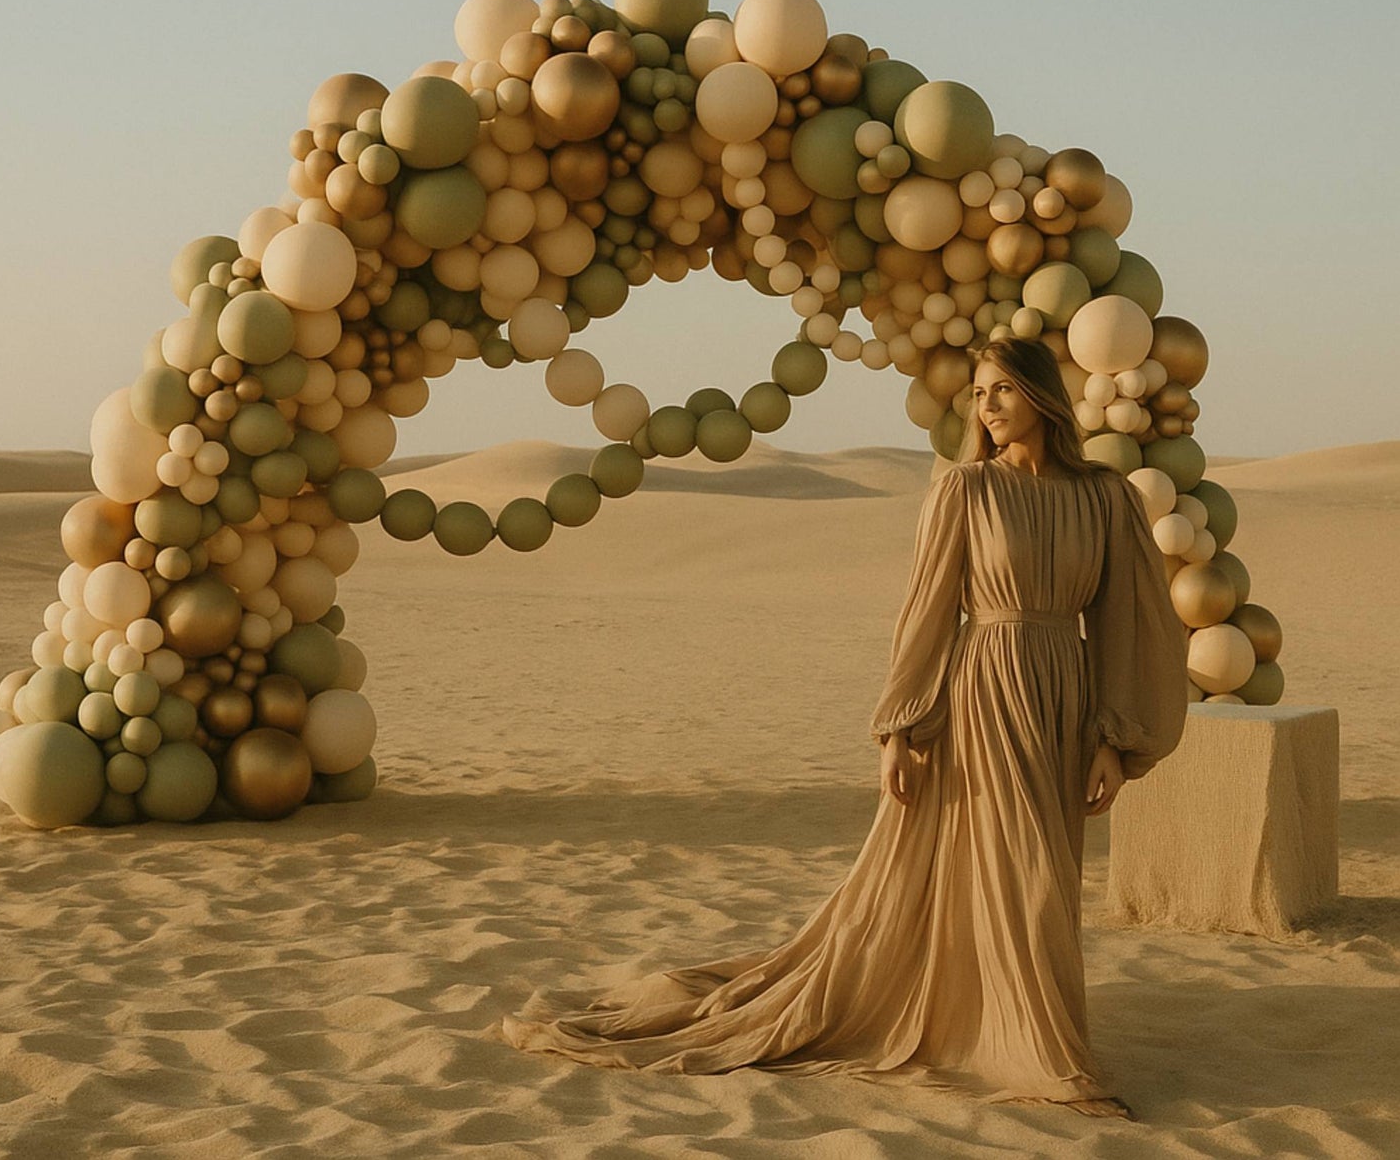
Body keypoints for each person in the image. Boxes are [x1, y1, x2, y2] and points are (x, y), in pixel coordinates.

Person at [502, 337, 1189, 1120]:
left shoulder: (1103, 496)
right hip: (982, 695)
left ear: (1041, 394)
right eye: (977, 392)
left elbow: (1127, 623)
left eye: (1001, 389)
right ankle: (1051, 1063)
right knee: (1023, 878)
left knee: (1046, 880)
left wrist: (1111, 737)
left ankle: (1014, 1028)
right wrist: (900, 726)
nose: (985, 406)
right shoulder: (964, 489)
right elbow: (927, 613)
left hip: (1061, 699)